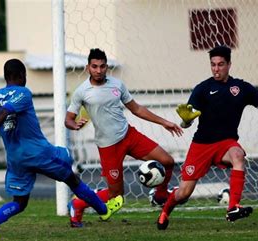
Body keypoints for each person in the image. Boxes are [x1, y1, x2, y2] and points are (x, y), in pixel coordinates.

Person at [157, 45, 258, 230]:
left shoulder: (242, 88)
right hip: (201, 145)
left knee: (238, 156)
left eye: (220, 64)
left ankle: (233, 207)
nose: (216, 69)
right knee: (184, 193)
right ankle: (164, 212)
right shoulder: (202, 89)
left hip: (226, 143)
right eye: (213, 65)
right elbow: (188, 120)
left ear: (229, 64)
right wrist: (185, 121)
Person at [0, 58, 122, 241]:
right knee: (71, 176)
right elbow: (4, 112)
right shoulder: (23, 92)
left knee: (20, 203)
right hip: (39, 153)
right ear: (22, 76)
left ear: (5, 77)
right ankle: (104, 210)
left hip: (16, 159)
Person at [65, 48, 183, 227]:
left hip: (129, 136)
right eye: (94, 66)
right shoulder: (82, 92)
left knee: (167, 161)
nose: (98, 70)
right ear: (88, 67)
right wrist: (74, 125)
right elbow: (68, 119)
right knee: (116, 196)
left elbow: (137, 109)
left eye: (102, 66)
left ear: (107, 67)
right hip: (108, 146)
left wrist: (164, 122)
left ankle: (160, 195)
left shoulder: (117, 85)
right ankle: (78, 204)